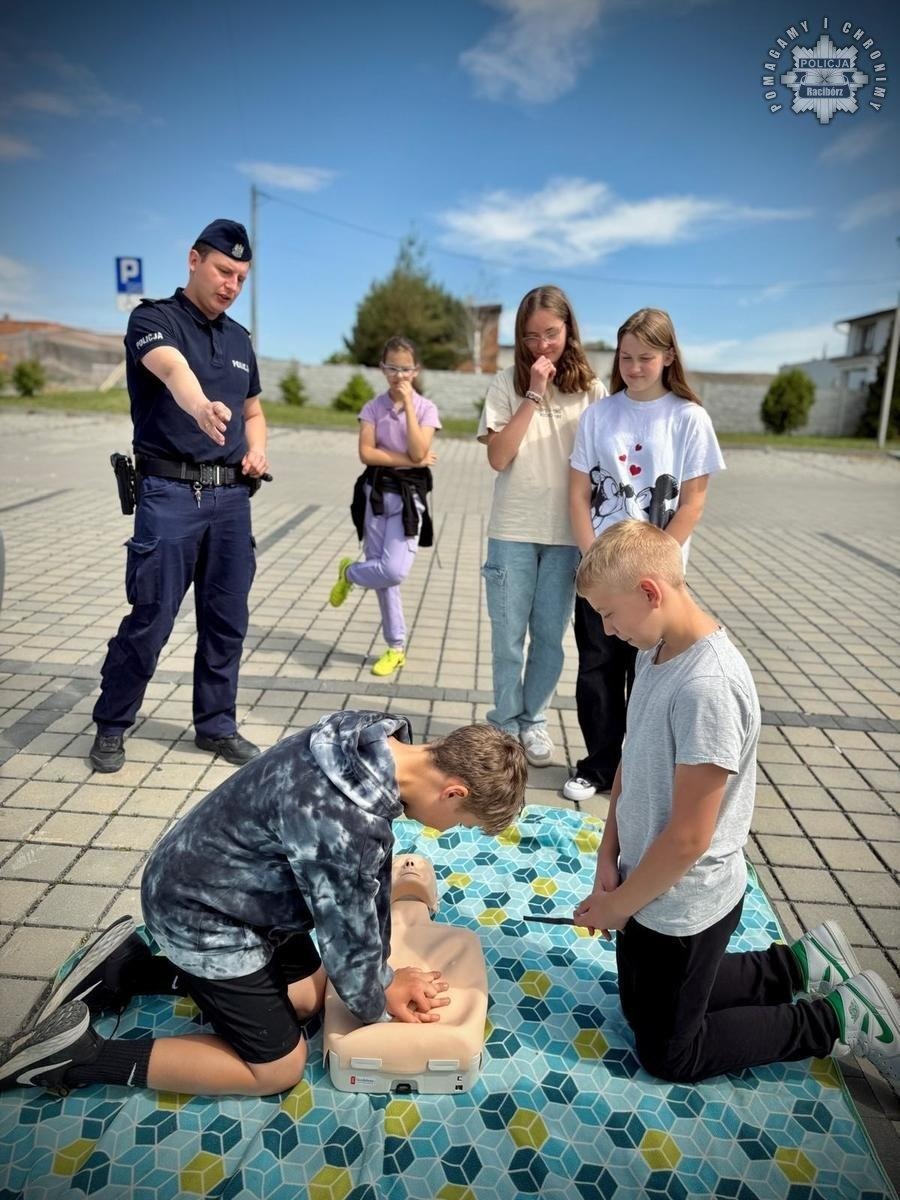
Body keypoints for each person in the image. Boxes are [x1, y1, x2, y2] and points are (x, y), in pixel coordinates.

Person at [0, 712, 528, 1098]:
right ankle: (75, 1057)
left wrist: (380, 973)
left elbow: (362, 889)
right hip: (202, 918)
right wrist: (382, 992)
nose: (451, 831)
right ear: (454, 792)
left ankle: (137, 968)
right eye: (464, 823)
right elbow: (346, 926)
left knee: (308, 998)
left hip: (214, 882)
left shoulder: (369, 737)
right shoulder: (342, 822)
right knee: (278, 1068)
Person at [571, 521, 900, 1086]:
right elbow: (629, 760)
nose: (605, 629)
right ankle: (798, 965)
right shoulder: (654, 653)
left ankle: (837, 1018)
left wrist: (621, 904)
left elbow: (689, 838)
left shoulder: (709, 686)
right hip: (646, 886)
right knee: (638, 1007)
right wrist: (609, 858)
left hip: (685, 903)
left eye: (608, 613)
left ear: (650, 592)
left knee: (670, 1054)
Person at [89, 219, 268, 774]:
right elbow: (171, 368)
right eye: (223, 271)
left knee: (226, 619)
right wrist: (198, 406)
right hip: (169, 493)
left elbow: (253, 410)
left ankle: (215, 726)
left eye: (240, 276)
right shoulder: (152, 319)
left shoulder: (240, 339)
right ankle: (113, 723)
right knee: (152, 617)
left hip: (232, 499)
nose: (231, 284)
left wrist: (256, 449)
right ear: (194, 260)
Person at [564, 307, 725, 804]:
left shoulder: (689, 418)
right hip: (603, 575)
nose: (634, 367)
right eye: (626, 357)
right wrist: (596, 564)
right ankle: (599, 767)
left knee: (654, 676)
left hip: (657, 579)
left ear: (668, 357)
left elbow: (692, 503)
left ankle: (646, 771)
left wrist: (653, 567)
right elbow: (577, 495)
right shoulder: (600, 414)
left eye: (646, 357)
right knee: (597, 669)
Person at [478, 285, 606, 767]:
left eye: (551, 334)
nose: (542, 346)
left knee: (549, 638)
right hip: (512, 529)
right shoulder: (504, 384)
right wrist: (532, 391)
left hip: (567, 535)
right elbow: (498, 457)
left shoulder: (593, 389)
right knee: (508, 637)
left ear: (568, 329)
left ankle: (535, 722)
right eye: (531, 337)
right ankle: (505, 723)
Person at [329, 337, 440, 678]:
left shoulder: (425, 408)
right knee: (385, 580)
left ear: (415, 370)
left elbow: (422, 452)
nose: (398, 376)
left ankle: (349, 572)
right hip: (375, 495)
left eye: (405, 369)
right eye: (392, 368)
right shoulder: (372, 408)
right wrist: (408, 460)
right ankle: (396, 648)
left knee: (393, 570)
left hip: (409, 501)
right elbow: (367, 453)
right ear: (382, 368)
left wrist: (407, 406)